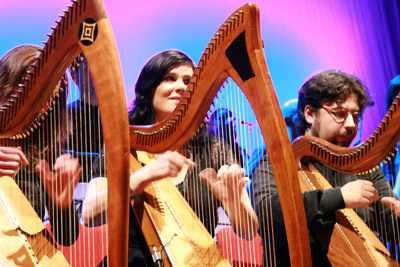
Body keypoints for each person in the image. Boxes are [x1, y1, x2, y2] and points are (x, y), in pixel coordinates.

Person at [83, 50, 258, 266]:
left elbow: (248, 231)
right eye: (169, 78)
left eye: (188, 81)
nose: (181, 87)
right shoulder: (124, 148)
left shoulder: (215, 150)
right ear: (149, 89)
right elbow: (90, 213)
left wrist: (233, 201)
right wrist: (144, 176)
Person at [252, 70, 400, 266]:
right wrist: (339, 197)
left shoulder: (365, 168)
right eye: (340, 114)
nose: (350, 125)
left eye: (355, 116)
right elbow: (268, 213)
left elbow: (392, 229)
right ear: (310, 114)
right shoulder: (277, 163)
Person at [0, 45, 80, 245]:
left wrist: (63, 204)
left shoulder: (45, 150)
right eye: (32, 92)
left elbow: (66, 238)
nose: (41, 104)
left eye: (48, 96)